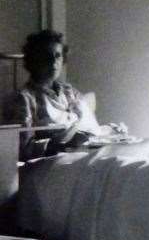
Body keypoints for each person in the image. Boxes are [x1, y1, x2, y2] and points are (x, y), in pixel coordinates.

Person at [6, 30, 111, 161]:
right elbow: (22, 151)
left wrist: (109, 130)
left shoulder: (69, 92)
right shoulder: (23, 99)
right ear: (33, 60)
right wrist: (60, 144)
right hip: (44, 166)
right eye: (46, 56)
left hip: (77, 157)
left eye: (58, 56)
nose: (53, 62)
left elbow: (88, 126)